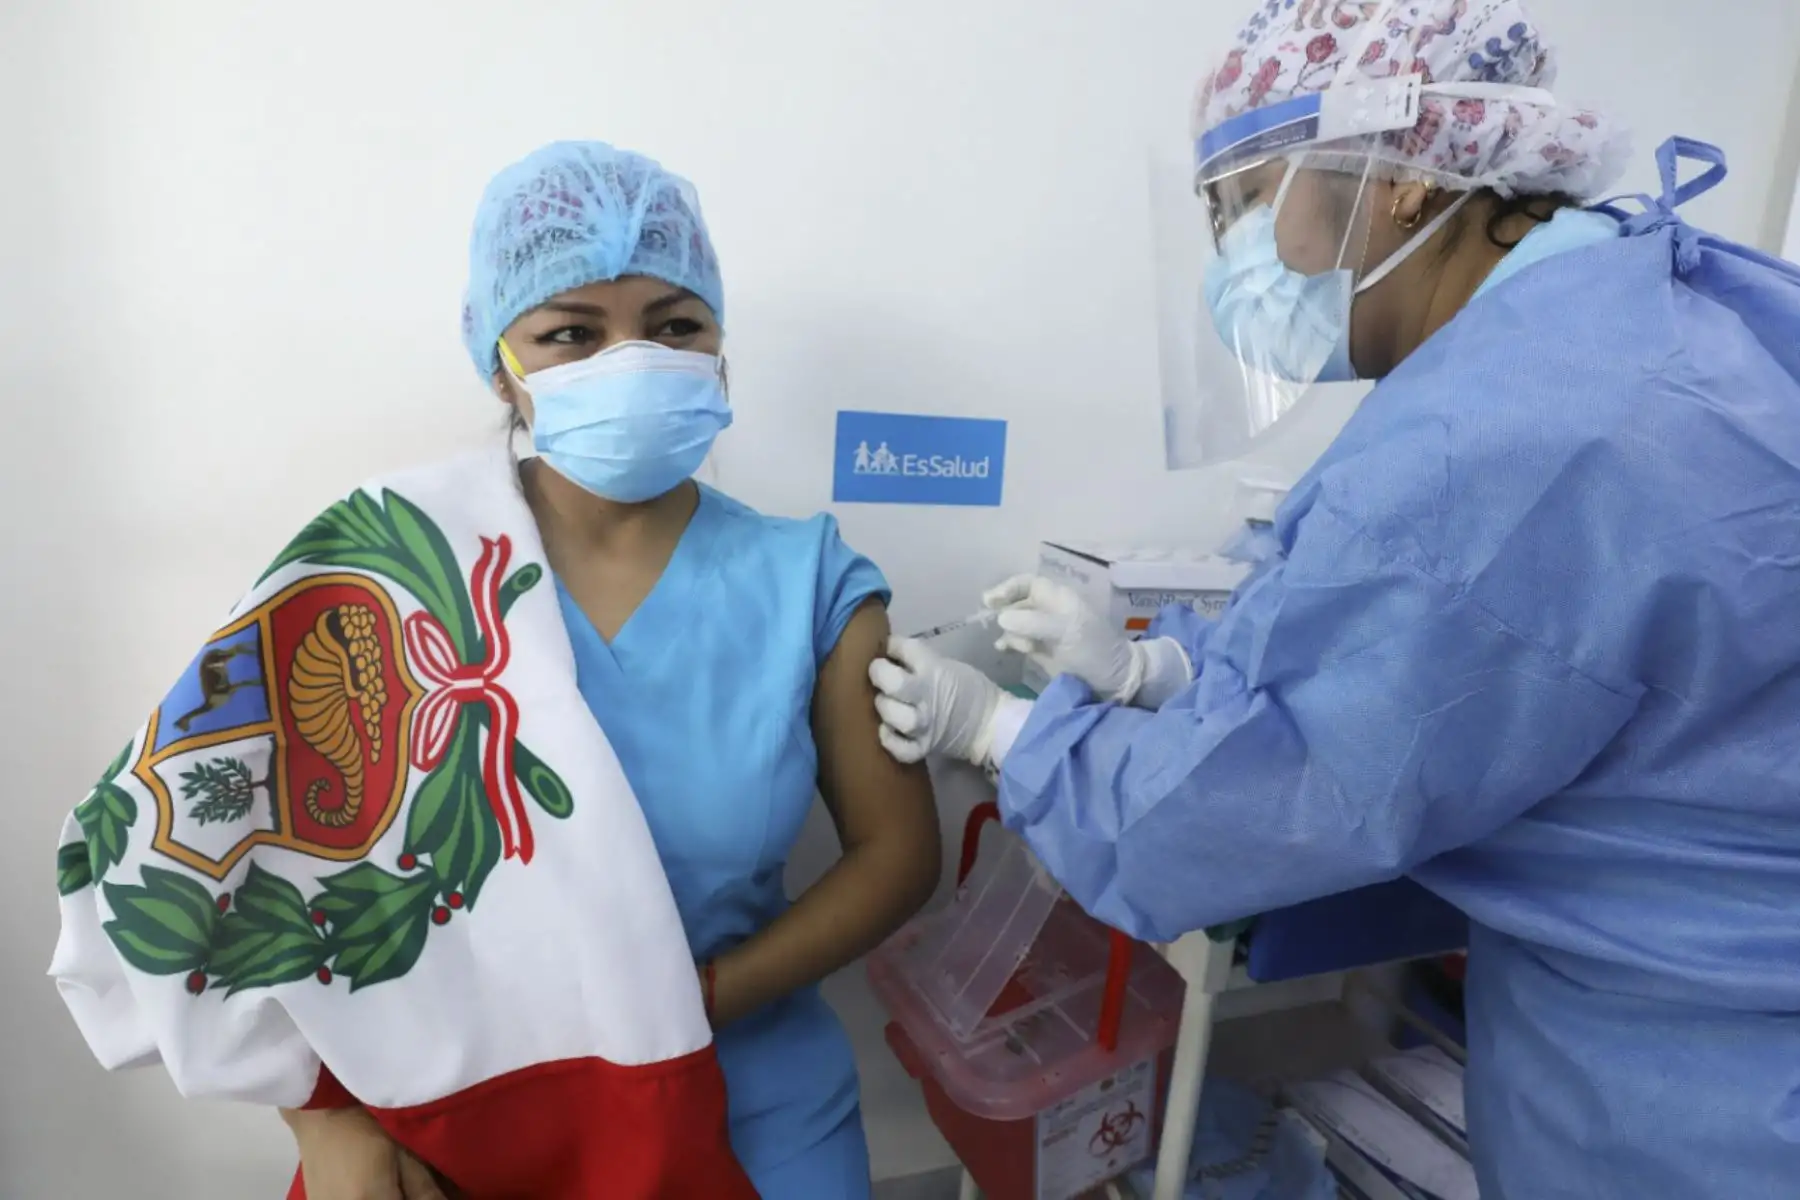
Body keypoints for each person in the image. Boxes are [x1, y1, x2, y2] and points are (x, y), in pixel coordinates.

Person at [868, 3, 1800, 1197]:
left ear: (1403, 178)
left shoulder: (1511, 433)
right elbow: (1475, 654)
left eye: (1247, 205)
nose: (1231, 261)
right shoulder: (1635, 307)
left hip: (1707, 1097)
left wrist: (1000, 731)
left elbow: (1247, 808)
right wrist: (1158, 670)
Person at [50, 140, 939, 1199]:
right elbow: (215, 854)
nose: (632, 358)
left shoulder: (812, 582)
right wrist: (324, 1121)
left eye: (674, 325)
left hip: (751, 1094)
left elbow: (896, 853)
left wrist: (689, 999)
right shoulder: (385, 571)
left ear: (718, 347)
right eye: (572, 332)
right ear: (500, 363)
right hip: (466, 1111)